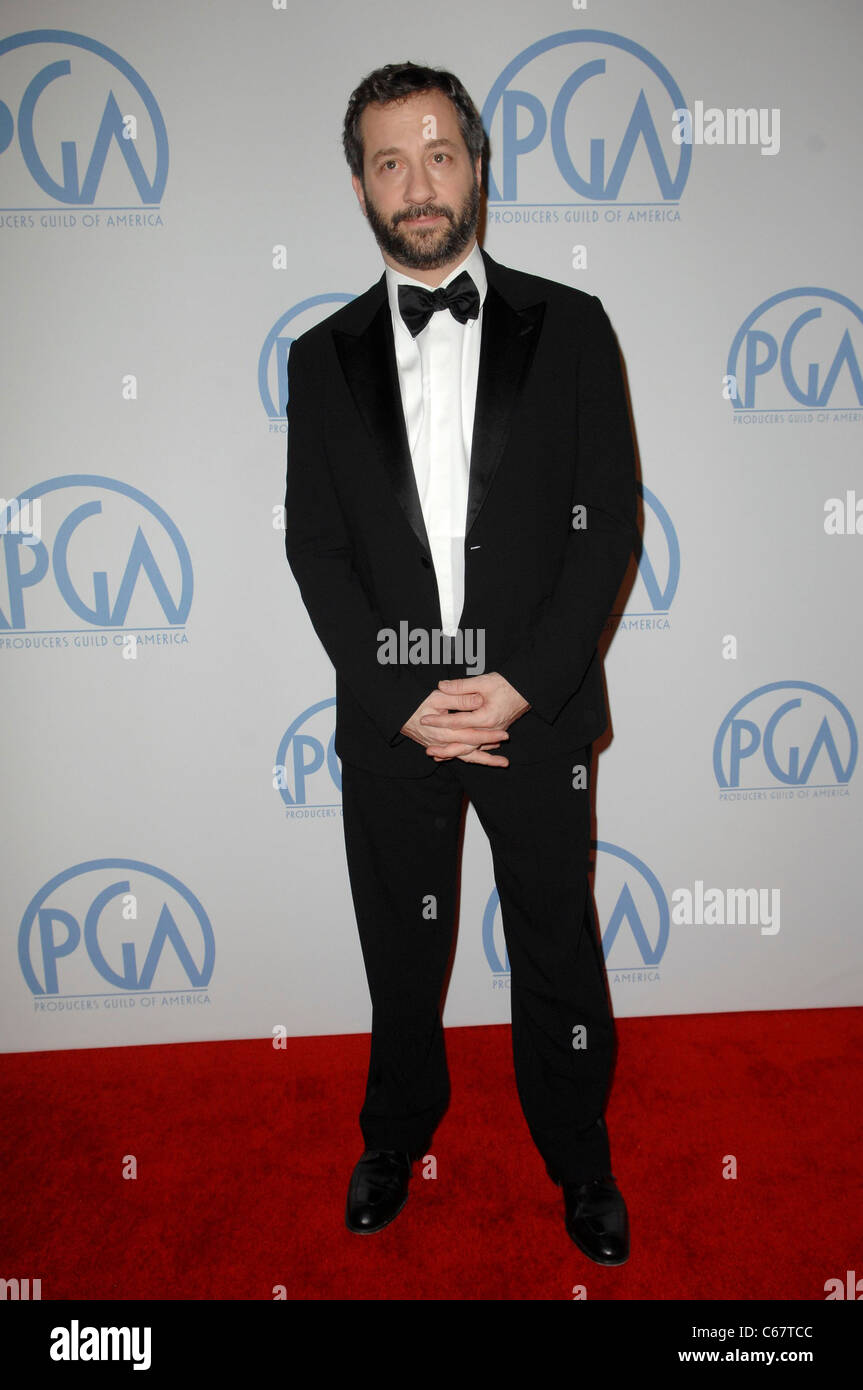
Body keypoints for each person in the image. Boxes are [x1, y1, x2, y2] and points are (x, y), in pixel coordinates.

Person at [284, 61, 638, 1264]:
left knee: (554, 935)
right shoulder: (318, 357)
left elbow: (608, 526)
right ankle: (395, 1133)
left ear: (475, 165)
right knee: (401, 941)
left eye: (438, 153)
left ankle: (579, 1154)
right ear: (358, 185)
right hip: (396, 710)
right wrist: (405, 701)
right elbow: (316, 551)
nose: (417, 182)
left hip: (531, 704)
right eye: (389, 160)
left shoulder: (574, 326)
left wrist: (520, 682)